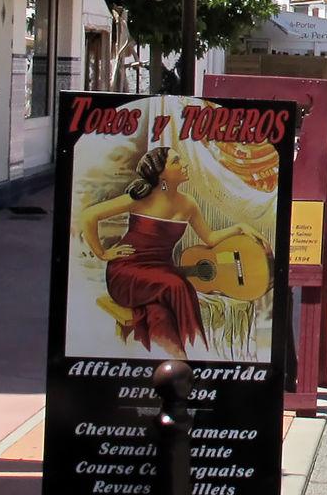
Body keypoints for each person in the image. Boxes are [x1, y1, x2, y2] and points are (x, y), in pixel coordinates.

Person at [78, 147, 262, 356]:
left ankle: (180, 358)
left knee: (159, 314)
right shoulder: (139, 199)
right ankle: (198, 348)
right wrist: (102, 253)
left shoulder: (188, 204)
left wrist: (239, 228)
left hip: (161, 272)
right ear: (161, 172)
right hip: (126, 273)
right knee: (176, 284)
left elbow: (210, 238)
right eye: (176, 161)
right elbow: (89, 216)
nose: (184, 163)